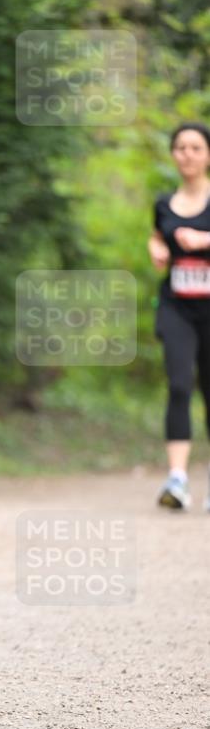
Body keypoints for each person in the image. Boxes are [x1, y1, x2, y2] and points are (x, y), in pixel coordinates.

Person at [148, 121, 210, 511]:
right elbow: (158, 234)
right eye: (180, 148)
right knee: (180, 384)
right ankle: (178, 480)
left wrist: (205, 240)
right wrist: (156, 248)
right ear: (173, 155)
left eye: (195, 148)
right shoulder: (162, 203)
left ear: (207, 155)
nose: (187, 154)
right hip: (177, 306)